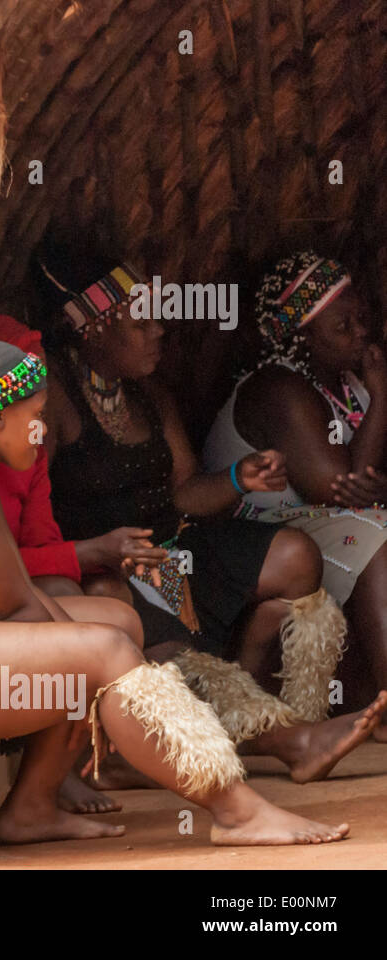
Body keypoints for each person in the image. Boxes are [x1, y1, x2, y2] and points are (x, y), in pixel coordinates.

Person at [0, 337, 362, 845]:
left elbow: (18, 596)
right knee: (104, 650)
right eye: (35, 417)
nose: (43, 434)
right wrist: (107, 669)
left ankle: (32, 805)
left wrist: (103, 648)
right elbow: (17, 612)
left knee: (116, 622)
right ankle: (238, 812)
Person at [34, 246, 377, 780]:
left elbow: (184, 494)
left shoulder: (150, 396)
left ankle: (256, 700)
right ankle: (282, 739)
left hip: (172, 549)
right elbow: (33, 510)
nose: (160, 332)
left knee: (292, 555)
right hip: (105, 568)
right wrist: (87, 555)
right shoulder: (54, 400)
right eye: (142, 321)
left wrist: (241, 478)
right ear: (95, 329)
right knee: (137, 622)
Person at [203, 252, 387, 736]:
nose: (361, 333)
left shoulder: (348, 385)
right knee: (377, 534)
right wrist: (384, 397)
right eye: (341, 325)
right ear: (301, 336)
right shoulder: (279, 388)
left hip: (321, 519)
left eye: (361, 319)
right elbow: (338, 488)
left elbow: (358, 482)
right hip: (261, 531)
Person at [0, 312, 171, 601]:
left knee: (104, 594)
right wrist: (94, 551)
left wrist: (100, 555)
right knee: (82, 609)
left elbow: (42, 546)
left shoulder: (27, 449)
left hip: (0, 586)